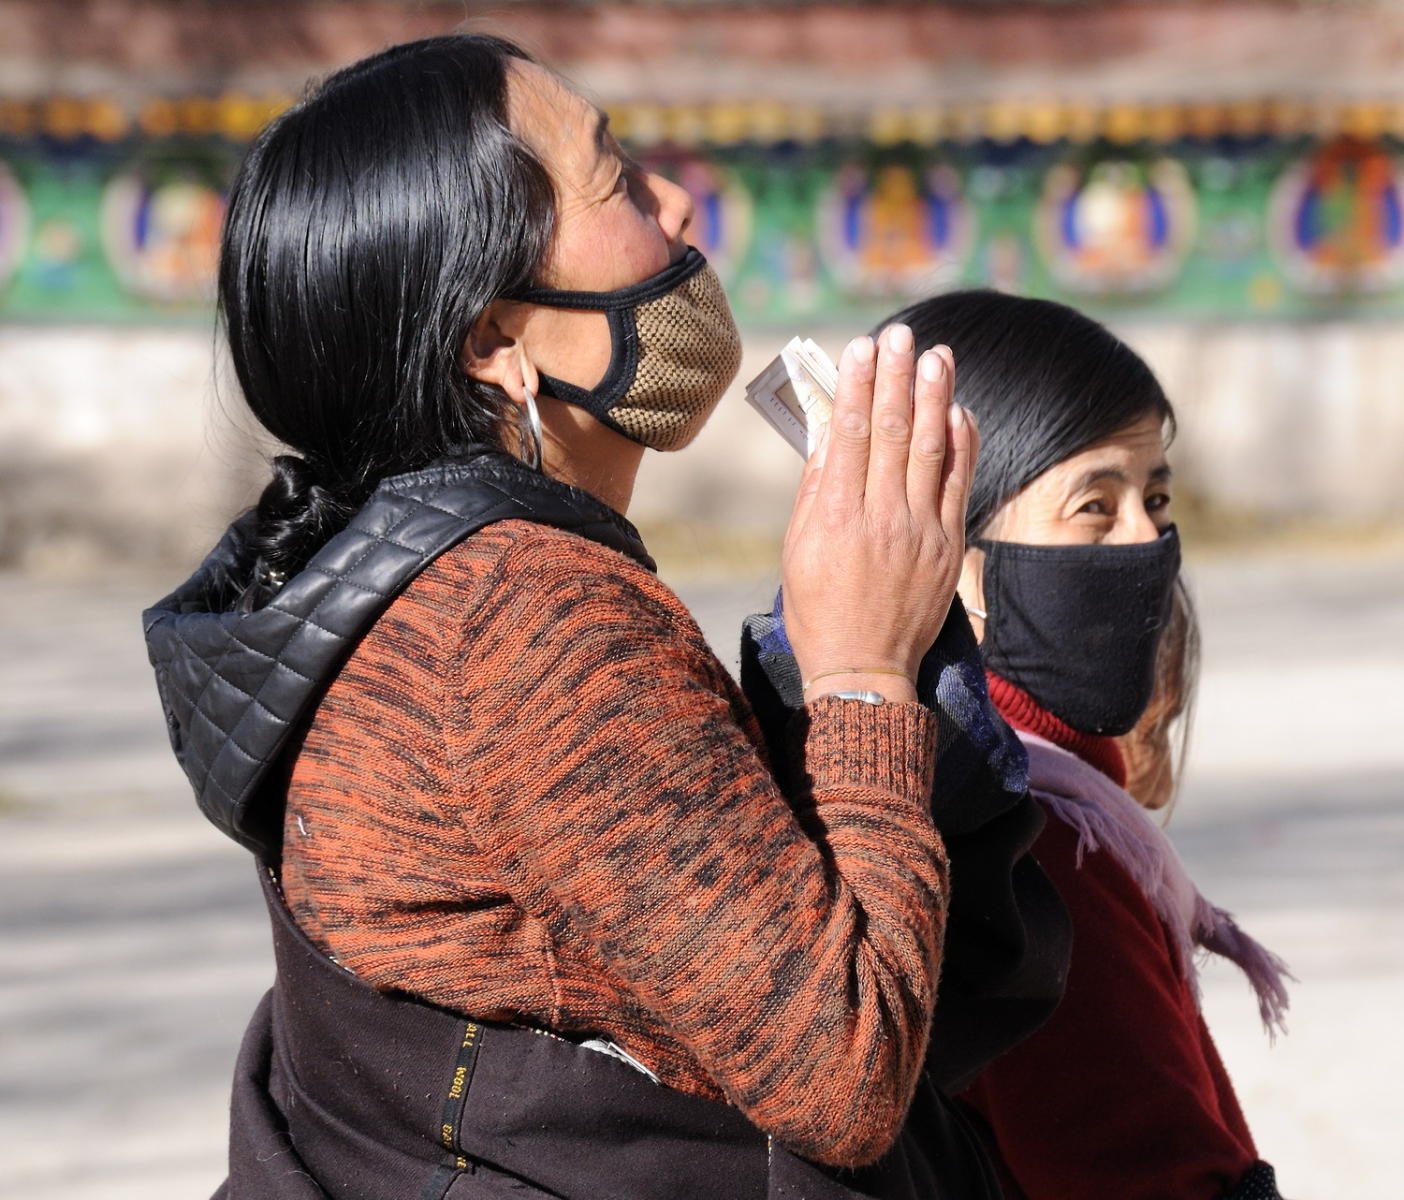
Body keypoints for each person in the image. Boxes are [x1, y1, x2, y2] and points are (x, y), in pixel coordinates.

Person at [143, 36, 1065, 1199]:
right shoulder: (524, 619)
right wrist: (863, 671)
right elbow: (844, 1077)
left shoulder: (425, 586)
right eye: (619, 181)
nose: (680, 204)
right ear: (496, 339)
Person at [872, 290, 1292, 1200]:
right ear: (955, 553)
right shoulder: (1038, 840)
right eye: (1094, 506)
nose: (1147, 543)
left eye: (1155, 497)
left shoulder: (934, 772)